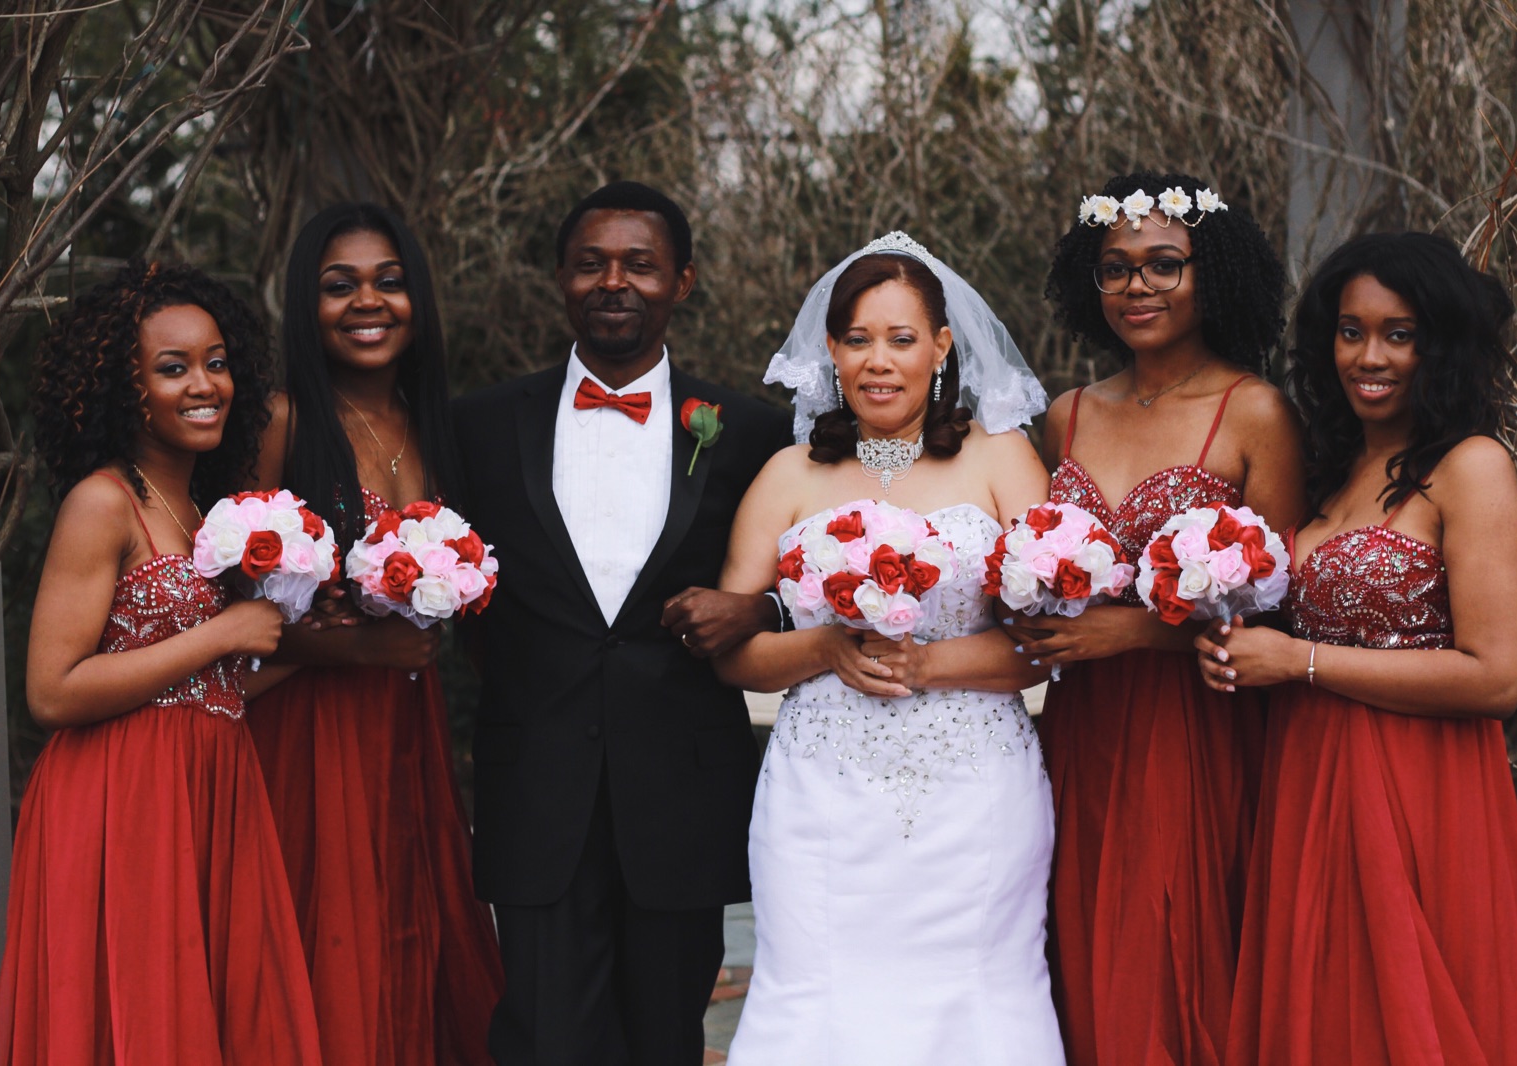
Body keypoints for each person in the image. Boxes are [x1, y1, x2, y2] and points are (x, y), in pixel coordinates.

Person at [1194, 231, 1517, 1064]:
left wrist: (1303, 663)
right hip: (1309, 779)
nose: (1371, 355)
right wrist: (1237, 644)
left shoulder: (1470, 466)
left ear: (1441, 343)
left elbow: (1497, 675)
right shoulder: (1335, 466)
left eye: (1399, 333)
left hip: (1421, 788)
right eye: (1351, 330)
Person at [454, 180, 793, 1066]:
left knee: (668, 1040)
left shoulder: (752, 433)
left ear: (681, 281)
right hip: (536, 788)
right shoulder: (479, 427)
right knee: (541, 1040)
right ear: (560, 279)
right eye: (591, 264)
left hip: (680, 794)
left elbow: (805, 580)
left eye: (639, 265)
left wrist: (755, 607)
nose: (615, 282)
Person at [716, 233, 1064, 1065]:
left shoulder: (1002, 460)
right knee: (816, 992)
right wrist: (827, 649)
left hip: (973, 787)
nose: (879, 361)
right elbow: (734, 652)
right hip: (821, 796)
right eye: (859, 340)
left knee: (977, 992)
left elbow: (1055, 640)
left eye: (902, 339)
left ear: (942, 347)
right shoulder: (787, 475)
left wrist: (931, 664)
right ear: (830, 352)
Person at [0, 261, 323, 1064]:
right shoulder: (102, 503)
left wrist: (306, 638)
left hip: (211, 786)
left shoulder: (205, 512)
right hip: (121, 801)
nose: (204, 383)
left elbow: (205, 686)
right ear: (121, 386)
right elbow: (53, 689)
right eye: (172, 368)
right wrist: (222, 631)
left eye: (215, 362)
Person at [1006, 172, 1305, 1065]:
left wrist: (1132, 630)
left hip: (1200, 724)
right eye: (1114, 269)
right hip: (1084, 729)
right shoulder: (1065, 417)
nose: (1137, 287)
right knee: (1082, 935)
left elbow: (1283, 600)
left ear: (1210, 273)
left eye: (1163, 265)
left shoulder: (1254, 410)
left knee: (1179, 949)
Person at [246, 202, 502, 1066]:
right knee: (326, 946)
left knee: (413, 934)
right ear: (304, 306)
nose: (369, 302)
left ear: (417, 299)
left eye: (389, 282)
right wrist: (348, 646)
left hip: (408, 722)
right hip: (302, 733)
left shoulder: (439, 427)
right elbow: (221, 625)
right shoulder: (279, 423)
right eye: (339, 285)